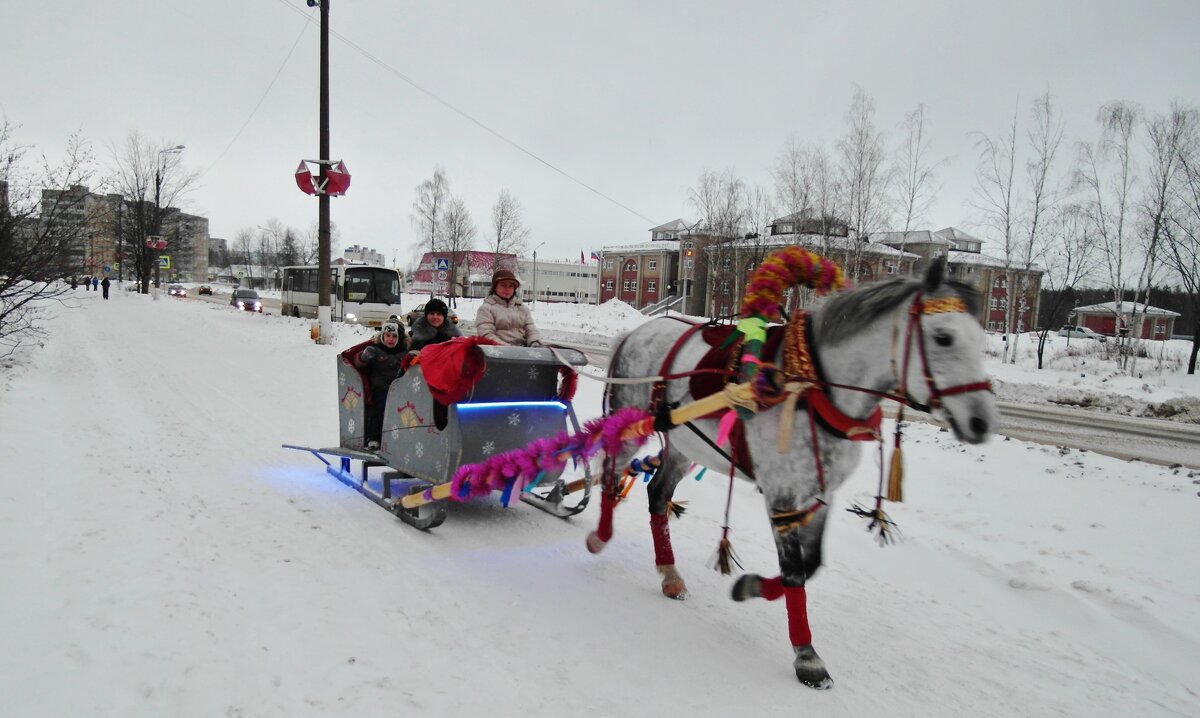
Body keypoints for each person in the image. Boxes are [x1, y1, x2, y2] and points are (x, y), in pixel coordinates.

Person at [353, 318, 409, 450]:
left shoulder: (403, 352)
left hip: (399, 387)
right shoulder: (375, 350)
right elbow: (359, 363)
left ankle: (399, 437)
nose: (390, 339)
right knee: (382, 409)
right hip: (381, 387)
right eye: (387, 335)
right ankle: (374, 437)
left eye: (394, 336)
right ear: (382, 336)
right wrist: (363, 356)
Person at [474, 269, 542, 347]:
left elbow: (531, 330)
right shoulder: (486, 309)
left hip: (523, 351)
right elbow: (486, 334)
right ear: (495, 288)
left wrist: (534, 342)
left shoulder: (523, 309)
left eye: (511, 286)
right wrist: (508, 348)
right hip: (498, 353)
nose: (507, 289)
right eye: (503, 285)